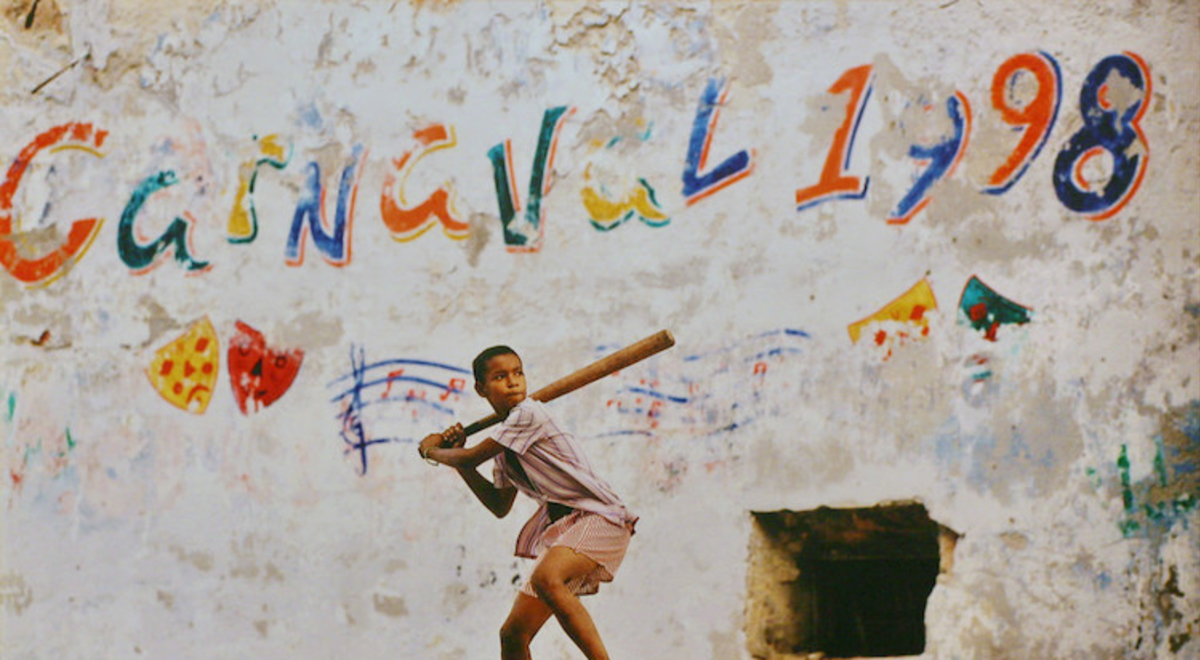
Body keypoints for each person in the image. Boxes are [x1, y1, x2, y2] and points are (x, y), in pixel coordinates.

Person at [418, 345, 637, 660]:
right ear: (481, 389)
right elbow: (498, 504)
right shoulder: (506, 446)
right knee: (513, 635)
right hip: (566, 528)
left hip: (601, 518)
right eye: (500, 376)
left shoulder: (528, 413)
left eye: (518, 373)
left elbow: (470, 455)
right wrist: (458, 459)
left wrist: (432, 451)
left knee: (548, 578)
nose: (513, 382)